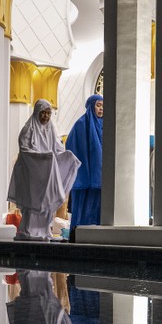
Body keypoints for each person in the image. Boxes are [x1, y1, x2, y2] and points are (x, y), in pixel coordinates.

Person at [8, 99, 81, 241]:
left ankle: (44, 231)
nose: (46, 117)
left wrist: (67, 155)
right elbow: (25, 150)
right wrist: (43, 158)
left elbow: (57, 149)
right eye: (43, 113)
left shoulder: (51, 128)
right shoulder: (28, 129)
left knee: (47, 202)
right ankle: (28, 231)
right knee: (32, 203)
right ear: (37, 113)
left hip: (47, 172)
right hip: (31, 172)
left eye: (48, 113)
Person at [65, 95, 103, 229]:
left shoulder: (105, 125)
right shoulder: (81, 125)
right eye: (98, 105)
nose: (101, 109)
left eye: (103, 105)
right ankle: (78, 236)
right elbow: (71, 147)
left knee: (98, 208)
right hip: (84, 177)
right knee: (82, 208)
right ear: (91, 106)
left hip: (100, 177)